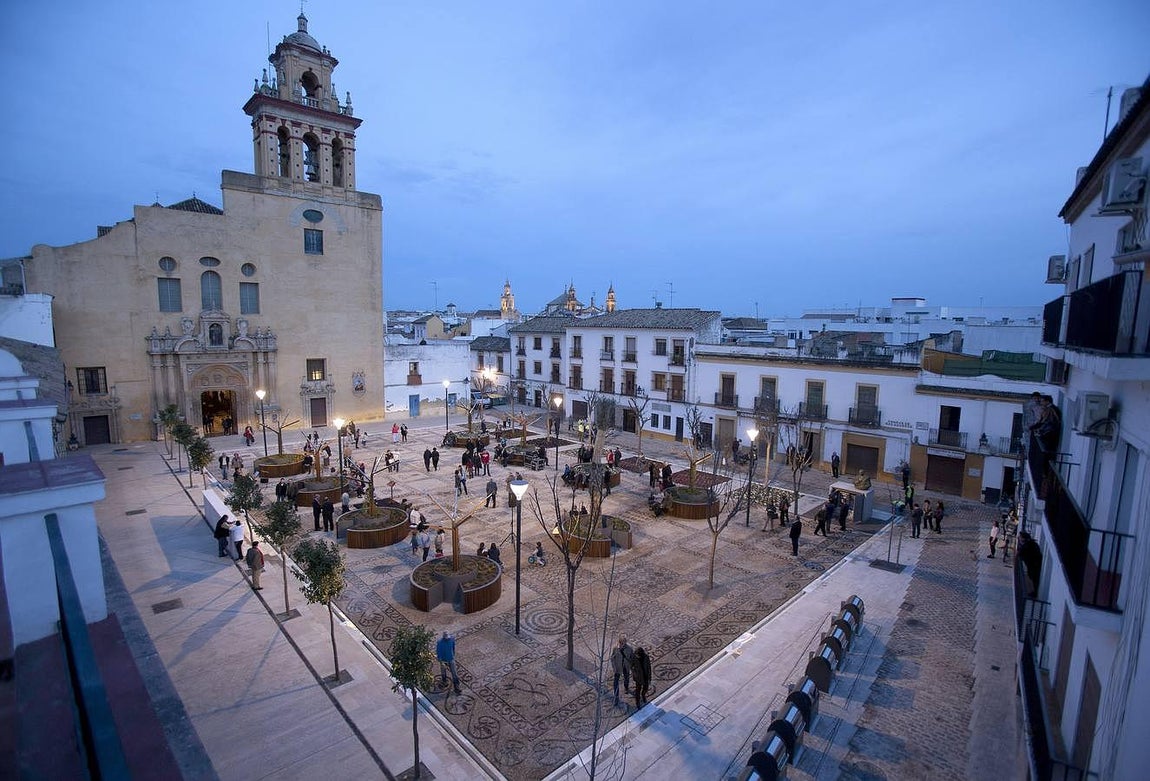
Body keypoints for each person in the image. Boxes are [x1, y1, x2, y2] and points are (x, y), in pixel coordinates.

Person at [611, 636, 633, 706]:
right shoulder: (615, 648)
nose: (621, 644)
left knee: (626, 678)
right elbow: (612, 658)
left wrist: (631, 666)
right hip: (618, 668)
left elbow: (632, 658)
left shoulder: (629, 649)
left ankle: (626, 687)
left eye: (623, 643)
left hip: (626, 667)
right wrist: (614, 668)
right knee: (615, 683)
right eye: (620, 643)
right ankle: (616, 697)